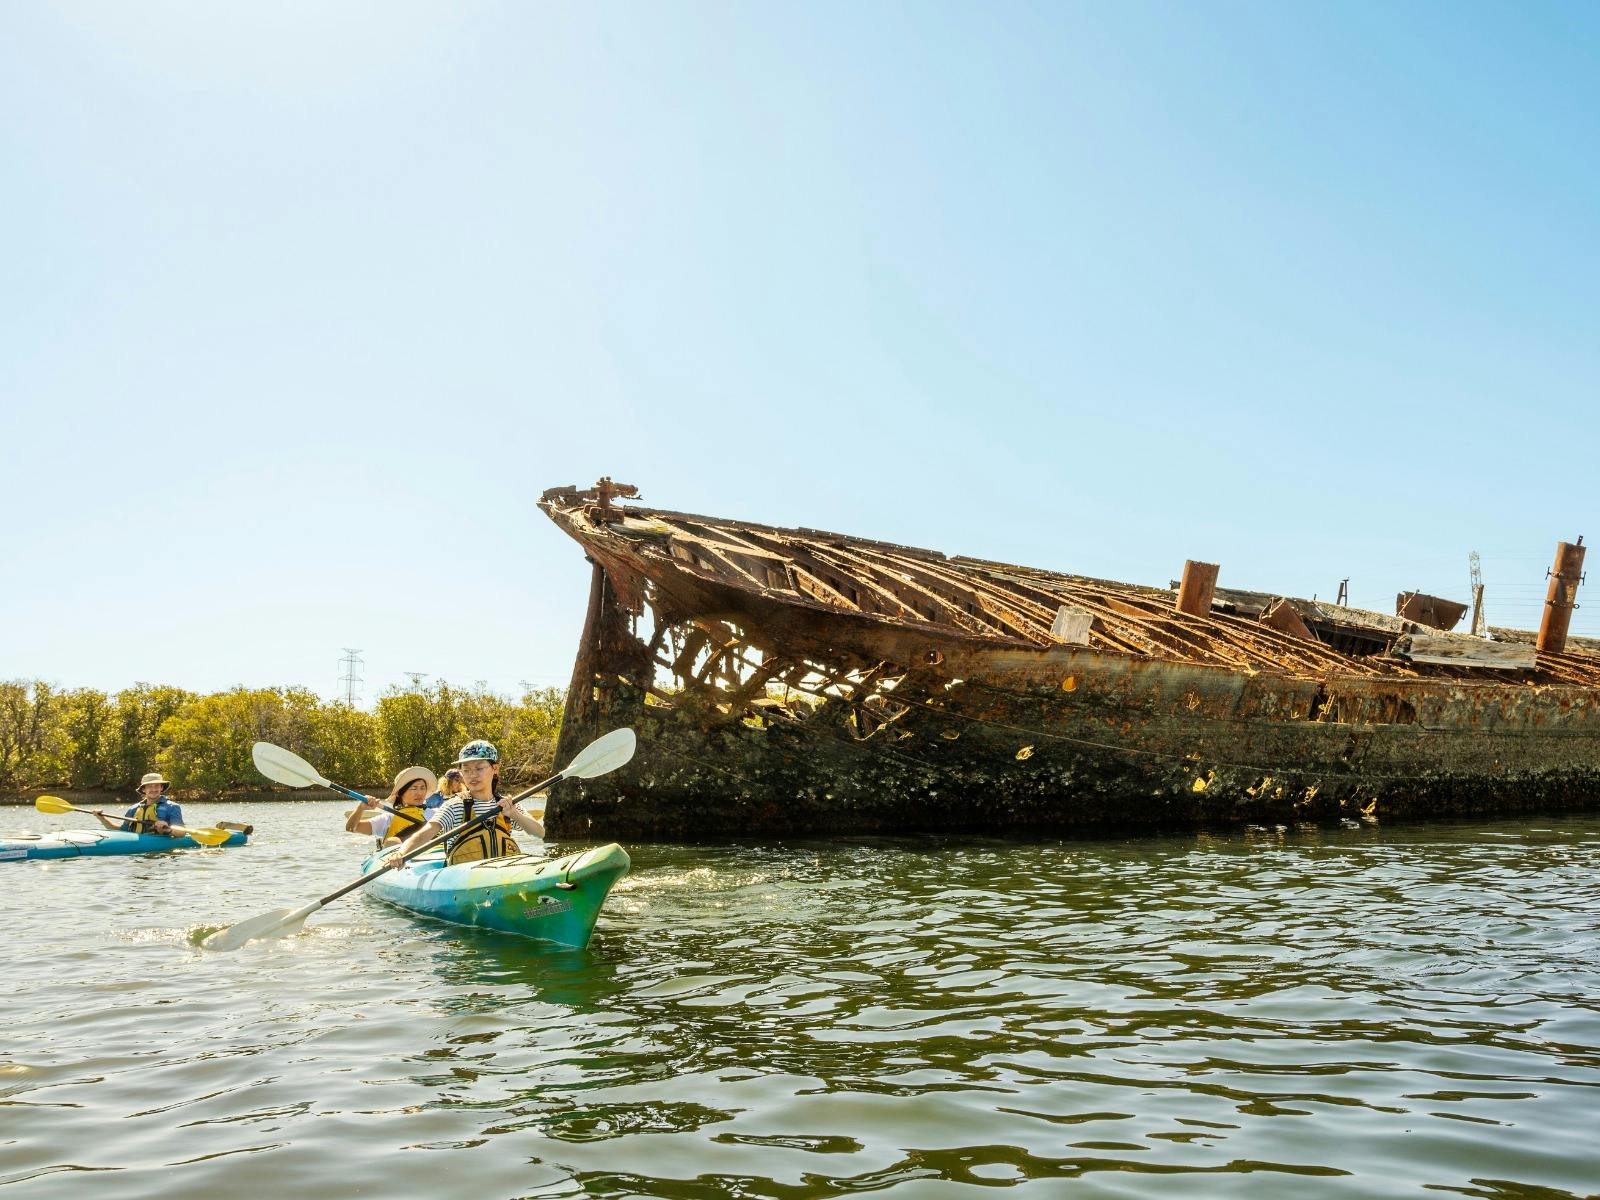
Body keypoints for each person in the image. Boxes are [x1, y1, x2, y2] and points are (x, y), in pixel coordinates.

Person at [385, 740, 542, 866]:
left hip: (501, 874)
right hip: (463, 879)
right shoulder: (455, 805)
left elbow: (539, 833)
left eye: (479, 768)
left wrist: (514, 813)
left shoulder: (507, 805)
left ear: (495, 768)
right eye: (466, 770)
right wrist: (401, 853)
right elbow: (424, 834)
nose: (472, 775)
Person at [345, 766, 438, 847]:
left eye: (422, 788)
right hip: (402, 863)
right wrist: (361, 808)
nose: (420, 793)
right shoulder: (388, 819)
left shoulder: (436, 814)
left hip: (433, 858)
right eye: (414, 788)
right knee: (392, 842)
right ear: (400, 793)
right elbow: (351, 828)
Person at [97, 772, 183, 836]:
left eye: (156, 786)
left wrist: (168, 830)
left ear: (161, 788)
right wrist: (101, 818)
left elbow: (181, 833)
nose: (153, 789)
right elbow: (121, 831)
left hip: (161, 851)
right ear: (143, 789)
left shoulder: (173, 807)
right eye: (149, 786)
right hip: (139, 855)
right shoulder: (133, 809)